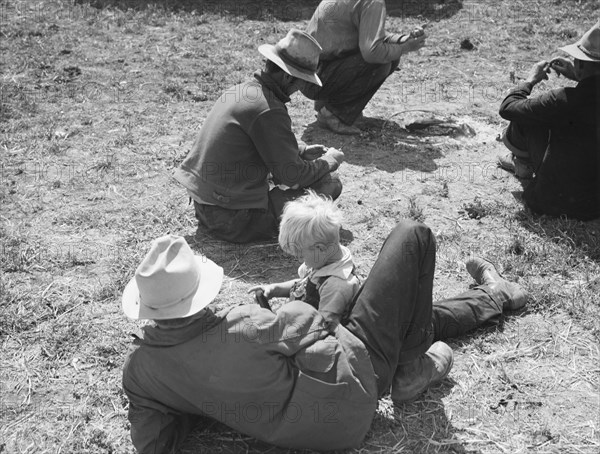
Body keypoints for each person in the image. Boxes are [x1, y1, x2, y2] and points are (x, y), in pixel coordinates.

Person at [122, 222, 528, 453]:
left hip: (314, 431)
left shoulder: (141, 371)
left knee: (397, 311)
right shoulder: (245, 325)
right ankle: (412, 368)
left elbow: (153, 440)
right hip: (358, 380)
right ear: (199, 291)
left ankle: (493, 296)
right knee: (411, 236)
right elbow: (316, 321)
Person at [174, 29, 345, 243]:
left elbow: (254, 142)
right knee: (330, 184)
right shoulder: (269, 109)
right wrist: (328, 162)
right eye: (301, 81)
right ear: (287, 76)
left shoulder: (241, 91)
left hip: (205, 208)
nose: (300, 88)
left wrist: (300, 151)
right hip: (232, 219)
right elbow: (292, 175)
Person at [498, 21, 600, 220]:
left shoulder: (562, 100)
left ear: (580, 63)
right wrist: (582, 78)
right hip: (597, 207)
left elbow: (508, 108)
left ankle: (522, 163)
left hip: (551, 202)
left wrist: (529, 81)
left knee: (527, 116)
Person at [299, 0, 426, 135]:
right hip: (316, 79)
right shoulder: (373, 2)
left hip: (307, 75)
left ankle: (326, 106)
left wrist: (403, 40)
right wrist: (406, 48)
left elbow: (372, 36)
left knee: (387, 55)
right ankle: (334, 114)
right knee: (381, 62)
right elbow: (372, 53)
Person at [248, 190, 360, 327]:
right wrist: (275, 289)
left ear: (319, 248)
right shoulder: (322, 261)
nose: (300, 260)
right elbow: (303, 285)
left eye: (301, 255)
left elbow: (324, 327)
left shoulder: (336, 286)